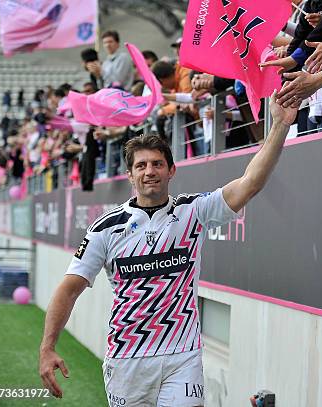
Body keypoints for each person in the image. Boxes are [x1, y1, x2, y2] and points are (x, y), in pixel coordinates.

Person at [38, 95, 298, 406]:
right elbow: (68, 289)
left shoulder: (194, 211)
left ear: (171, 171)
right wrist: (47, 347)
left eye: (157, 164)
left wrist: (281, 125)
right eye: (141, 165)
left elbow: (250, 183)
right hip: (126, 358)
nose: (150, 171)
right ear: (131, 175)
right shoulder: (105, 227)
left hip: (182, 356)